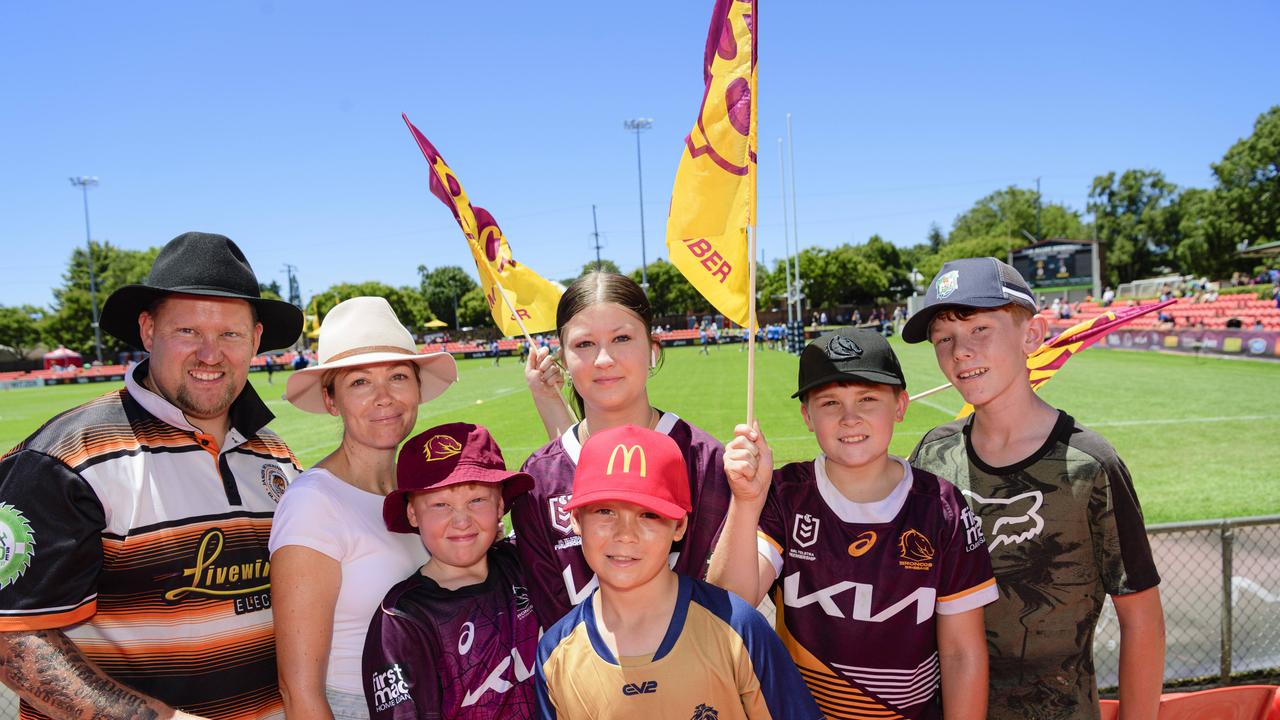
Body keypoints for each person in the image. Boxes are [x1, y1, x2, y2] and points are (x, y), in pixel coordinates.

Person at [0, 232, 304, 719]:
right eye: (188, 332)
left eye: (230, 334)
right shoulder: (63, 458)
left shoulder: (278, 458)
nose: (211, 354)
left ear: (256, 340)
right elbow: (14, 637)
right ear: (147, 331)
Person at [901, 257, 1165, 720]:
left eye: (980, 329)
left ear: (1032, 335)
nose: (960, 351)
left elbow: (1141, 619)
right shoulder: (932, 457)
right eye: (943, 338)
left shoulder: (1090, 465)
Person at [708, 328, 996, 720]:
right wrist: (745, 502)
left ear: (900, 405)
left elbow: (962, 652)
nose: (849, 418)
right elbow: (727, 605)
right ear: (807, 416)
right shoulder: (786, 494)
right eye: (829, 403)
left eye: (868, 399)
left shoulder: (941, 507)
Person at [534, 426, 821, 720]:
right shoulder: (556, 654)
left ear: (680, 526)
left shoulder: (738, 628)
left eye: (649, 515)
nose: (625, 534)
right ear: (576, 520)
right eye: (605, 511)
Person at [271, 297, 458, 720]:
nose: (383, 398)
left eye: (397, 377)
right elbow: (299, 692)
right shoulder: (313, 504)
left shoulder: (420, 491)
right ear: (332, 400)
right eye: (359, 382)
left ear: (417, 388)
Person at [514, 272, 731, 629]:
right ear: (563, 360)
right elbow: (553, 621)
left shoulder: (704, 459)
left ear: (653, 350)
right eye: (584, 344)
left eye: (622, 338)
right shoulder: (539, 478)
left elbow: (726, 598)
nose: (603, 359)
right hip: (587, 680)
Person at [363, 423, 539, 719]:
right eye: (440, 504)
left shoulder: (525, 564)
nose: (461, 521)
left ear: (500, 505)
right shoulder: (403, 618)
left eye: (477, 500)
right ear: (412, 513)